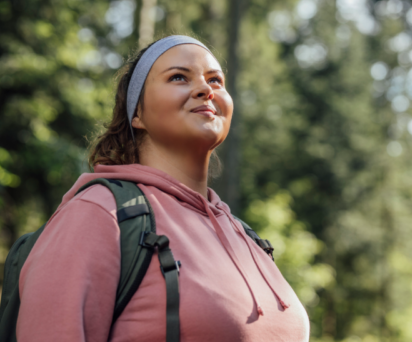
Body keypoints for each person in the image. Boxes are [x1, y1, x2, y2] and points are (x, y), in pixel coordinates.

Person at [16, 35, 310, 341]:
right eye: (179, 77)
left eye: (215, 80)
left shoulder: (245, 236)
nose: (205, 89)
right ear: (136, 114)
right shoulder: (100, 214)